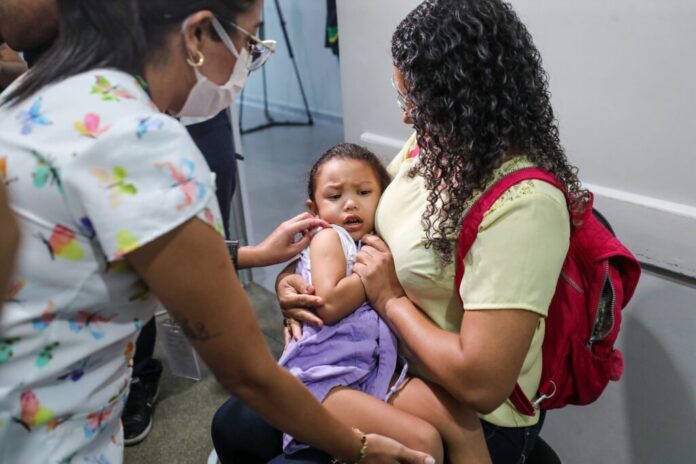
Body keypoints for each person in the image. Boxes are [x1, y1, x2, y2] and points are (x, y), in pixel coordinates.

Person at [0, 0, 436, 463]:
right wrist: (359, 446)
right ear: (197, 35)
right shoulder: (145, 147)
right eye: (250, 42)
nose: (249, 60)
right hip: (47, 430)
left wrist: (255, 256)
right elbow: (246, 371)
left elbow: (111, 240)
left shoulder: (35, 92)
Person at [223, 0, 586, 462]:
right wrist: (296, 282)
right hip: (383, 356)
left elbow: (480, 383)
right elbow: (354, 225)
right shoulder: (434, 147)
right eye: (404, 98)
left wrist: (390, 298)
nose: (407, 118)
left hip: (460, 405)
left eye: (415, 100)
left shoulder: (525, 205)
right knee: (234, 424)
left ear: (465, 97)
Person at [214, 144, 494, 463]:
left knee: (461, 420)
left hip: (371, 370)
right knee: (424, 441)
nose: (350, 204)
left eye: (363, 192)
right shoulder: (330, 237)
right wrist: (373, 280)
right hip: (323, 378)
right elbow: (329, 304)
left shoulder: (370, 241)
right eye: (335, 197)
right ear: (314, 209)